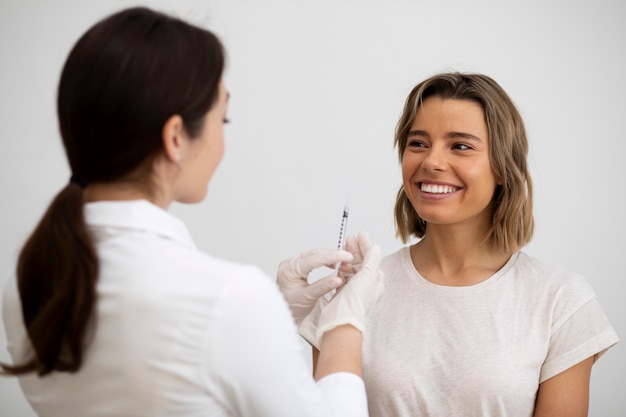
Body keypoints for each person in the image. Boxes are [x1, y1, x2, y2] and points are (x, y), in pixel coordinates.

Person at [0, 7, 385, 417]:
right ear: (175, 137)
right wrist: (345, 323)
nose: (222, 142)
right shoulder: (226, 299)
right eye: (224, 118)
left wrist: (276, 315)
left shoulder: (30, 280)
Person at [297, 72, 619, 417]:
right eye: (418, 143)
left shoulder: (561, 302)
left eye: (461, 146)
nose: (431, 162)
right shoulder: (349, 294)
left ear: (503, 167)